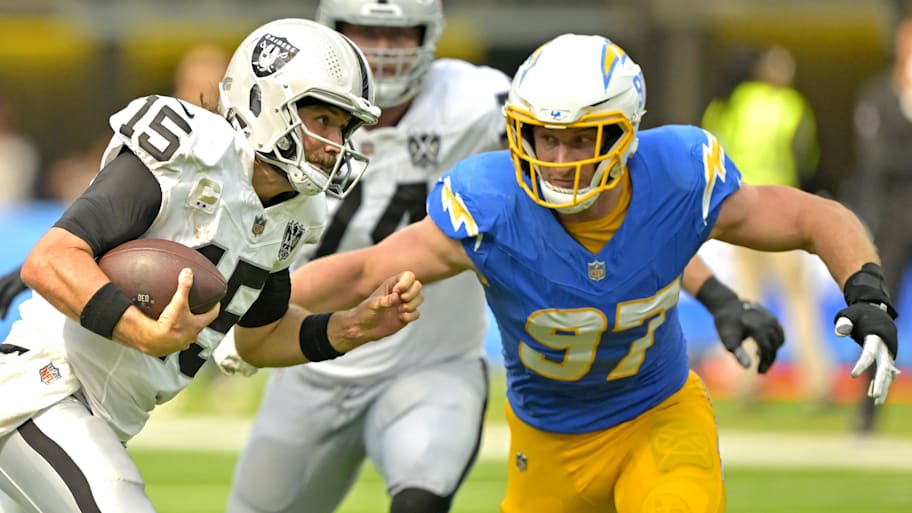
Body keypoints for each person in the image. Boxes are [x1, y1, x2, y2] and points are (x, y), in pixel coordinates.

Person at [281, 34, 900, 512]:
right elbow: (363, 270)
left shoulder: (676, 174)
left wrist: (867, 291)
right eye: (542, 138)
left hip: (656, 417)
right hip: (546, 443)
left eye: (581, 139)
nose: (557, 160)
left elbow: (814, 217)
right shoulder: (492, 204)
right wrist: (246, 307)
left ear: (626, 135)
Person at [0, 18, 424, 513]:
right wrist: (143, 332)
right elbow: (50, 259)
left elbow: (258, 338)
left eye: (344, 127)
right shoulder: (190, 151)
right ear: (267, 102)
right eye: (323, 121)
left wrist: (349, 328)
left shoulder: (297, 213)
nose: (335, 143)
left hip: (103, 419)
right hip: (43, 387)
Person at [701, 44, 833, 406]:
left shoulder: (724, 107)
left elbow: (711, 161)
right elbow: (808, 160)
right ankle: (817, 384)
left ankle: (747, 381)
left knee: (746, 298)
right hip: (782, 212)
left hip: (739, 214)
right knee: (798, 298)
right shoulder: (787, 106)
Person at [850, 14, 912, 433]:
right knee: (880, 318)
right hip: (892, 222)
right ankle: (867, 418)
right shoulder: (877, 97)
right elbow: (878, 161)